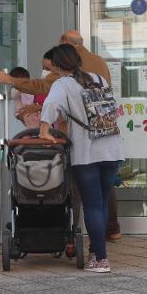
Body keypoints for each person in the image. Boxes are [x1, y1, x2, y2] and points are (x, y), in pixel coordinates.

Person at [39, 44, 123, 273]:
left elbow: (51, 105)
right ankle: (96, 252)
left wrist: (44, 131)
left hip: (87, 152)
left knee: (92, 205)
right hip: (112, 148)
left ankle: (101, 260)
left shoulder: (63, 84)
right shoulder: (98, 78)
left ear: (56, 66)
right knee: (102, 203)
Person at [60, 30, 122, 241]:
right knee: (104, 195)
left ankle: (74, 235)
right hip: (108, 138)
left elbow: (49, 98)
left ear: (65, 44)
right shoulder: (100, 65)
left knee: (84, 194)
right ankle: (112, 229)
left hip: (85, 143)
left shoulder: (66, 75)